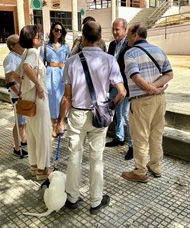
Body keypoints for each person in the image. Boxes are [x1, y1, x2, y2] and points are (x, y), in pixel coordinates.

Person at [56, 21, 126, 215]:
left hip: (77, 114)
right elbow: (122, 92)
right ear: (100, 38)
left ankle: (72, 197)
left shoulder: (71, 62)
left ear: (83, 38)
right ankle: (96, 201)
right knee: (97, 159)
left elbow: (66, 97)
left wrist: (60, 121)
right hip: (99, 116)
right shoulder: (109, 60)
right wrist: (110, 108)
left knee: (74, 157)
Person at [122, 23, 173, 183]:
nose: (127, 37)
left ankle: (140, 171)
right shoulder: (159, 50)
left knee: (140, 136)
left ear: (136, 35)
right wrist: (156, 88)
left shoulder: (130, 53)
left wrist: (150, 88)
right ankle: (155, 166)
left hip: (142, 101)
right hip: (160, 100)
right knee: (156, 134)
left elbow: (135, 77)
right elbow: (169, 74)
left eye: (129, 34)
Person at [14, 24, 53, 181]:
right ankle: (43, 169)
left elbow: (15, 75)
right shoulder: (33, 53)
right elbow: (25, 68)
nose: (41, 38)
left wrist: (25, 86)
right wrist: (38, 85)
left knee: (33, 134)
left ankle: (35, 166)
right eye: (39, 36)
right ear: (32, 38)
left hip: (29, 100)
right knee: (43, 133)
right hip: (38, 98)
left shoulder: (26, 52)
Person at [104, 18, 134, 160]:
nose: (115, 32)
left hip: (126, 86)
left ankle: (133, 146)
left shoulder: (130, 45)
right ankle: (119, 138)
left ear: (125, 30)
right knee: (117, 113)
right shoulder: (111, 45)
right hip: (114, 85)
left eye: (118, 29)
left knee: (127, 115)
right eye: (113, 29)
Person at [40, 21, 70, 137]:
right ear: (52, 30)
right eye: (56, 30)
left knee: (61, 98)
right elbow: (40, 61)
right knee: (52, 99)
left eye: (61, 30)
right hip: (50, 74)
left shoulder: (65, 46)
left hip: (62, 73)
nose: (58, 32)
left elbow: (67, 61)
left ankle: (60, 124)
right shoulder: (45, 46)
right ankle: (53, 126)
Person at [3, 34, 28, 157]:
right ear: (13, 46)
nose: (23, 45)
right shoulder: (10, 59)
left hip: (23, 93)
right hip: (18, 94)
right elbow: (9, 78)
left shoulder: (20, 56)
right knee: (19, 122)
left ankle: (23, 140)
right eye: (20, 43)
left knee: (23, 120)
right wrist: (19, 92)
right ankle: (17, 147)